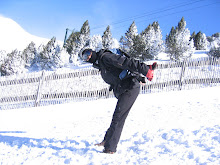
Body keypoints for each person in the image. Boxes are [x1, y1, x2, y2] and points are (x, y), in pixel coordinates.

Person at [81, 48, 157, 154]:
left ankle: (109, 149)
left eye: (88, 53)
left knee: (118, 117)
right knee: (117, 116)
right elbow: (121, 71)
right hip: (124, 88)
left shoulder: (105, 57)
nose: (88, 57)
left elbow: (126, 62)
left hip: (130, 88)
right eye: (85, 57)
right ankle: (107, 140)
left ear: (93, 52)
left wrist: (145, 69)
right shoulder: (102, 65)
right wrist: (139, 77)